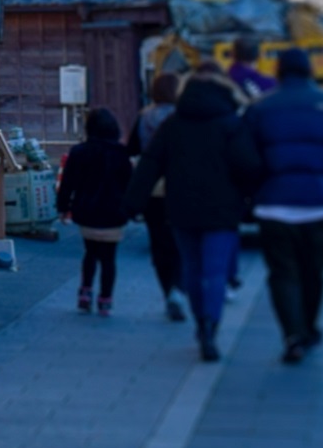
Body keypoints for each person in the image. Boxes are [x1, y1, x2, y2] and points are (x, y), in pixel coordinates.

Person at [128, 67, 263, 362]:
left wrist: (133, 203)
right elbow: (249, 166)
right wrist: (252, 200)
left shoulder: (173, 125)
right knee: (215, 271)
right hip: (223, 211)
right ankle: (210, 326)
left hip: (181, 208)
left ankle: (199, 318)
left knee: (192, 267)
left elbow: (150, 164)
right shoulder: (231, 125)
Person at [245, 47, 323, 362]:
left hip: (273, 205)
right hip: (317, 204)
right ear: (309, 70)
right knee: (313, 272)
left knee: (282, 273)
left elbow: (248, 157)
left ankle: (292, 334)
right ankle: (309, 327)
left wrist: (259, 188)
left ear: (278, 71)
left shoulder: (261, 109)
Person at [61, 108, 133, 315]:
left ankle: (85, 291)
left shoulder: (79, 152)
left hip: (87, 211)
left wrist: (63, 207)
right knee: (109, 258)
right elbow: (129, 184)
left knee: (90, 252)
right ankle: (105, 299)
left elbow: (68, 183)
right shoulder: (121, 153)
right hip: (114, 212)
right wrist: (133, 209)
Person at [131, 71, 188, 321]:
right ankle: (180, 286)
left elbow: (131, 149)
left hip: (153, 190)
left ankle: (168, 292)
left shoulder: (144, 116)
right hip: (182, 187)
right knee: (182, 241)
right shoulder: (183, 117)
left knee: (159, 243)